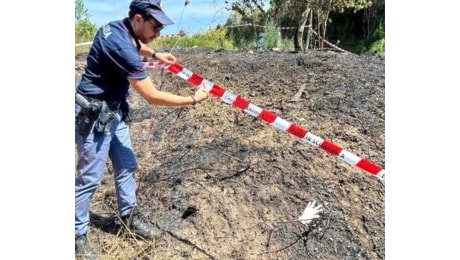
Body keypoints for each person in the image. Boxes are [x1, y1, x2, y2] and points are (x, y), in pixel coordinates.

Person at [74, 0, 209, 259]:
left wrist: (155, 55)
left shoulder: (117, 28)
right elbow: (152, 96)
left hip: (113, 112)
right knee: (88, 178)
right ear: (138, 19)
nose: (159, 33)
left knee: (127, 165)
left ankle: (128, 217)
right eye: (155, 26)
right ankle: (76, 235)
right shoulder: (122, 46)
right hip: (92, 117)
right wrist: (193, 99)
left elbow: (138, 45)